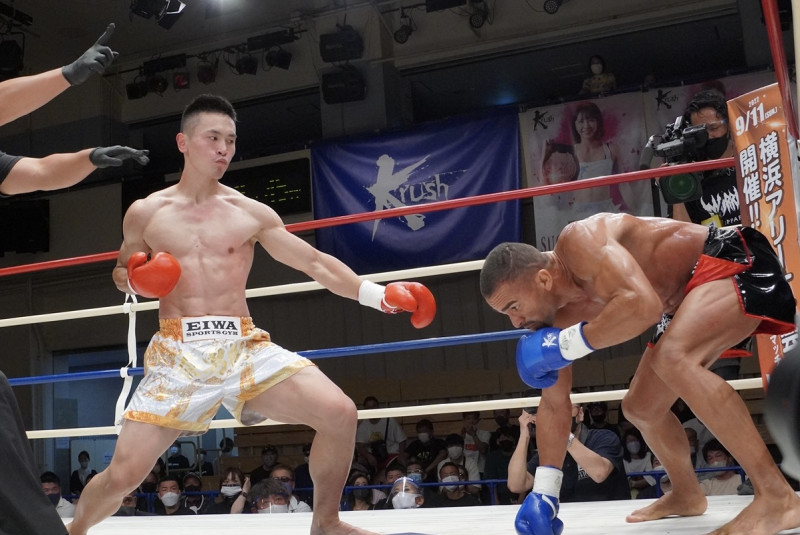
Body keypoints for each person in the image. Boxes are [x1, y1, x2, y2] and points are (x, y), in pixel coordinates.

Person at [67, 93, 435, 535]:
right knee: (123, 475)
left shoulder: (250, 213)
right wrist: (134, 279)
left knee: (339, 412)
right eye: (213, 138)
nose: (224, 149)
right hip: (177, 351)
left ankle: (326, 523)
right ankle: (73, 531)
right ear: (183, 142)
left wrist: (378, 295)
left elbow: (313, 262)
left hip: (241, 345)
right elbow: (121, 272)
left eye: (231, 140)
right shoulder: (146, 212)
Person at [480, 213, 799, 535]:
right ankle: (687, 493)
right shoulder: (556, 321)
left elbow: (643, 306)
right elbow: (554, 404)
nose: (515, 322)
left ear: (543, 280)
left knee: (673, 358)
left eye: (513, 307)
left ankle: (777, 496)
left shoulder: (580, 242)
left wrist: (565, 345)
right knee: (641, 408)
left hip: (728, 261)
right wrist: (545, 492)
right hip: (681, 301)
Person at [668, 88, 750, 381]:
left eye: (713, 128)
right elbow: (682, 237)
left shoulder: (751, 161)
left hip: (762, 264)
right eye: (699, 132)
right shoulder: (691, 176)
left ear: (729, 125)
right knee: (717, 371)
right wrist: (676, 185)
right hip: (719, 279)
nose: (708, 137)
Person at [508, 404, 629, 504]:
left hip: (609, 517)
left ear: (580, 413)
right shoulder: (550, 450)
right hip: (569, 520)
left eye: (567, 407)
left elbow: (599, 473)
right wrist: (524, 434)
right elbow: (516, 485)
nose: (560, 414)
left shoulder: (604, 437)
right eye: (556, 410)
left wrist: (562, 433)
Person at [355, 396, 409, 473]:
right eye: (368, 407)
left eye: (373, 406)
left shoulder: (390, 421)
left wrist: (401, 454)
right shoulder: (363, 426)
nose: (371, 409)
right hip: (373, 458)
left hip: (391, 455)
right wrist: (368, 456)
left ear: (378, 407)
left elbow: (402, 440)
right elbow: (360, 445)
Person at [436, 433, 481, 498]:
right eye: (451, 445)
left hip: (468, 498)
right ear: (447, 449)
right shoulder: (441, 464)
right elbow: (443, 489)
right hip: (449, 499)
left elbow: (475, 489)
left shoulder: (471, 462)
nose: (454, 448)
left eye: (457, 445)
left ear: (463, 447)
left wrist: (453, 486)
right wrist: (462, 483)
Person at [621, 427, 655, 496]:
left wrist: (634, 484)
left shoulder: (648, 456)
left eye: (635, 440)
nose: (633, 443)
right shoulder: (622, 460)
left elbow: (651, 479)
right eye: (630, 441)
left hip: (647, 491)